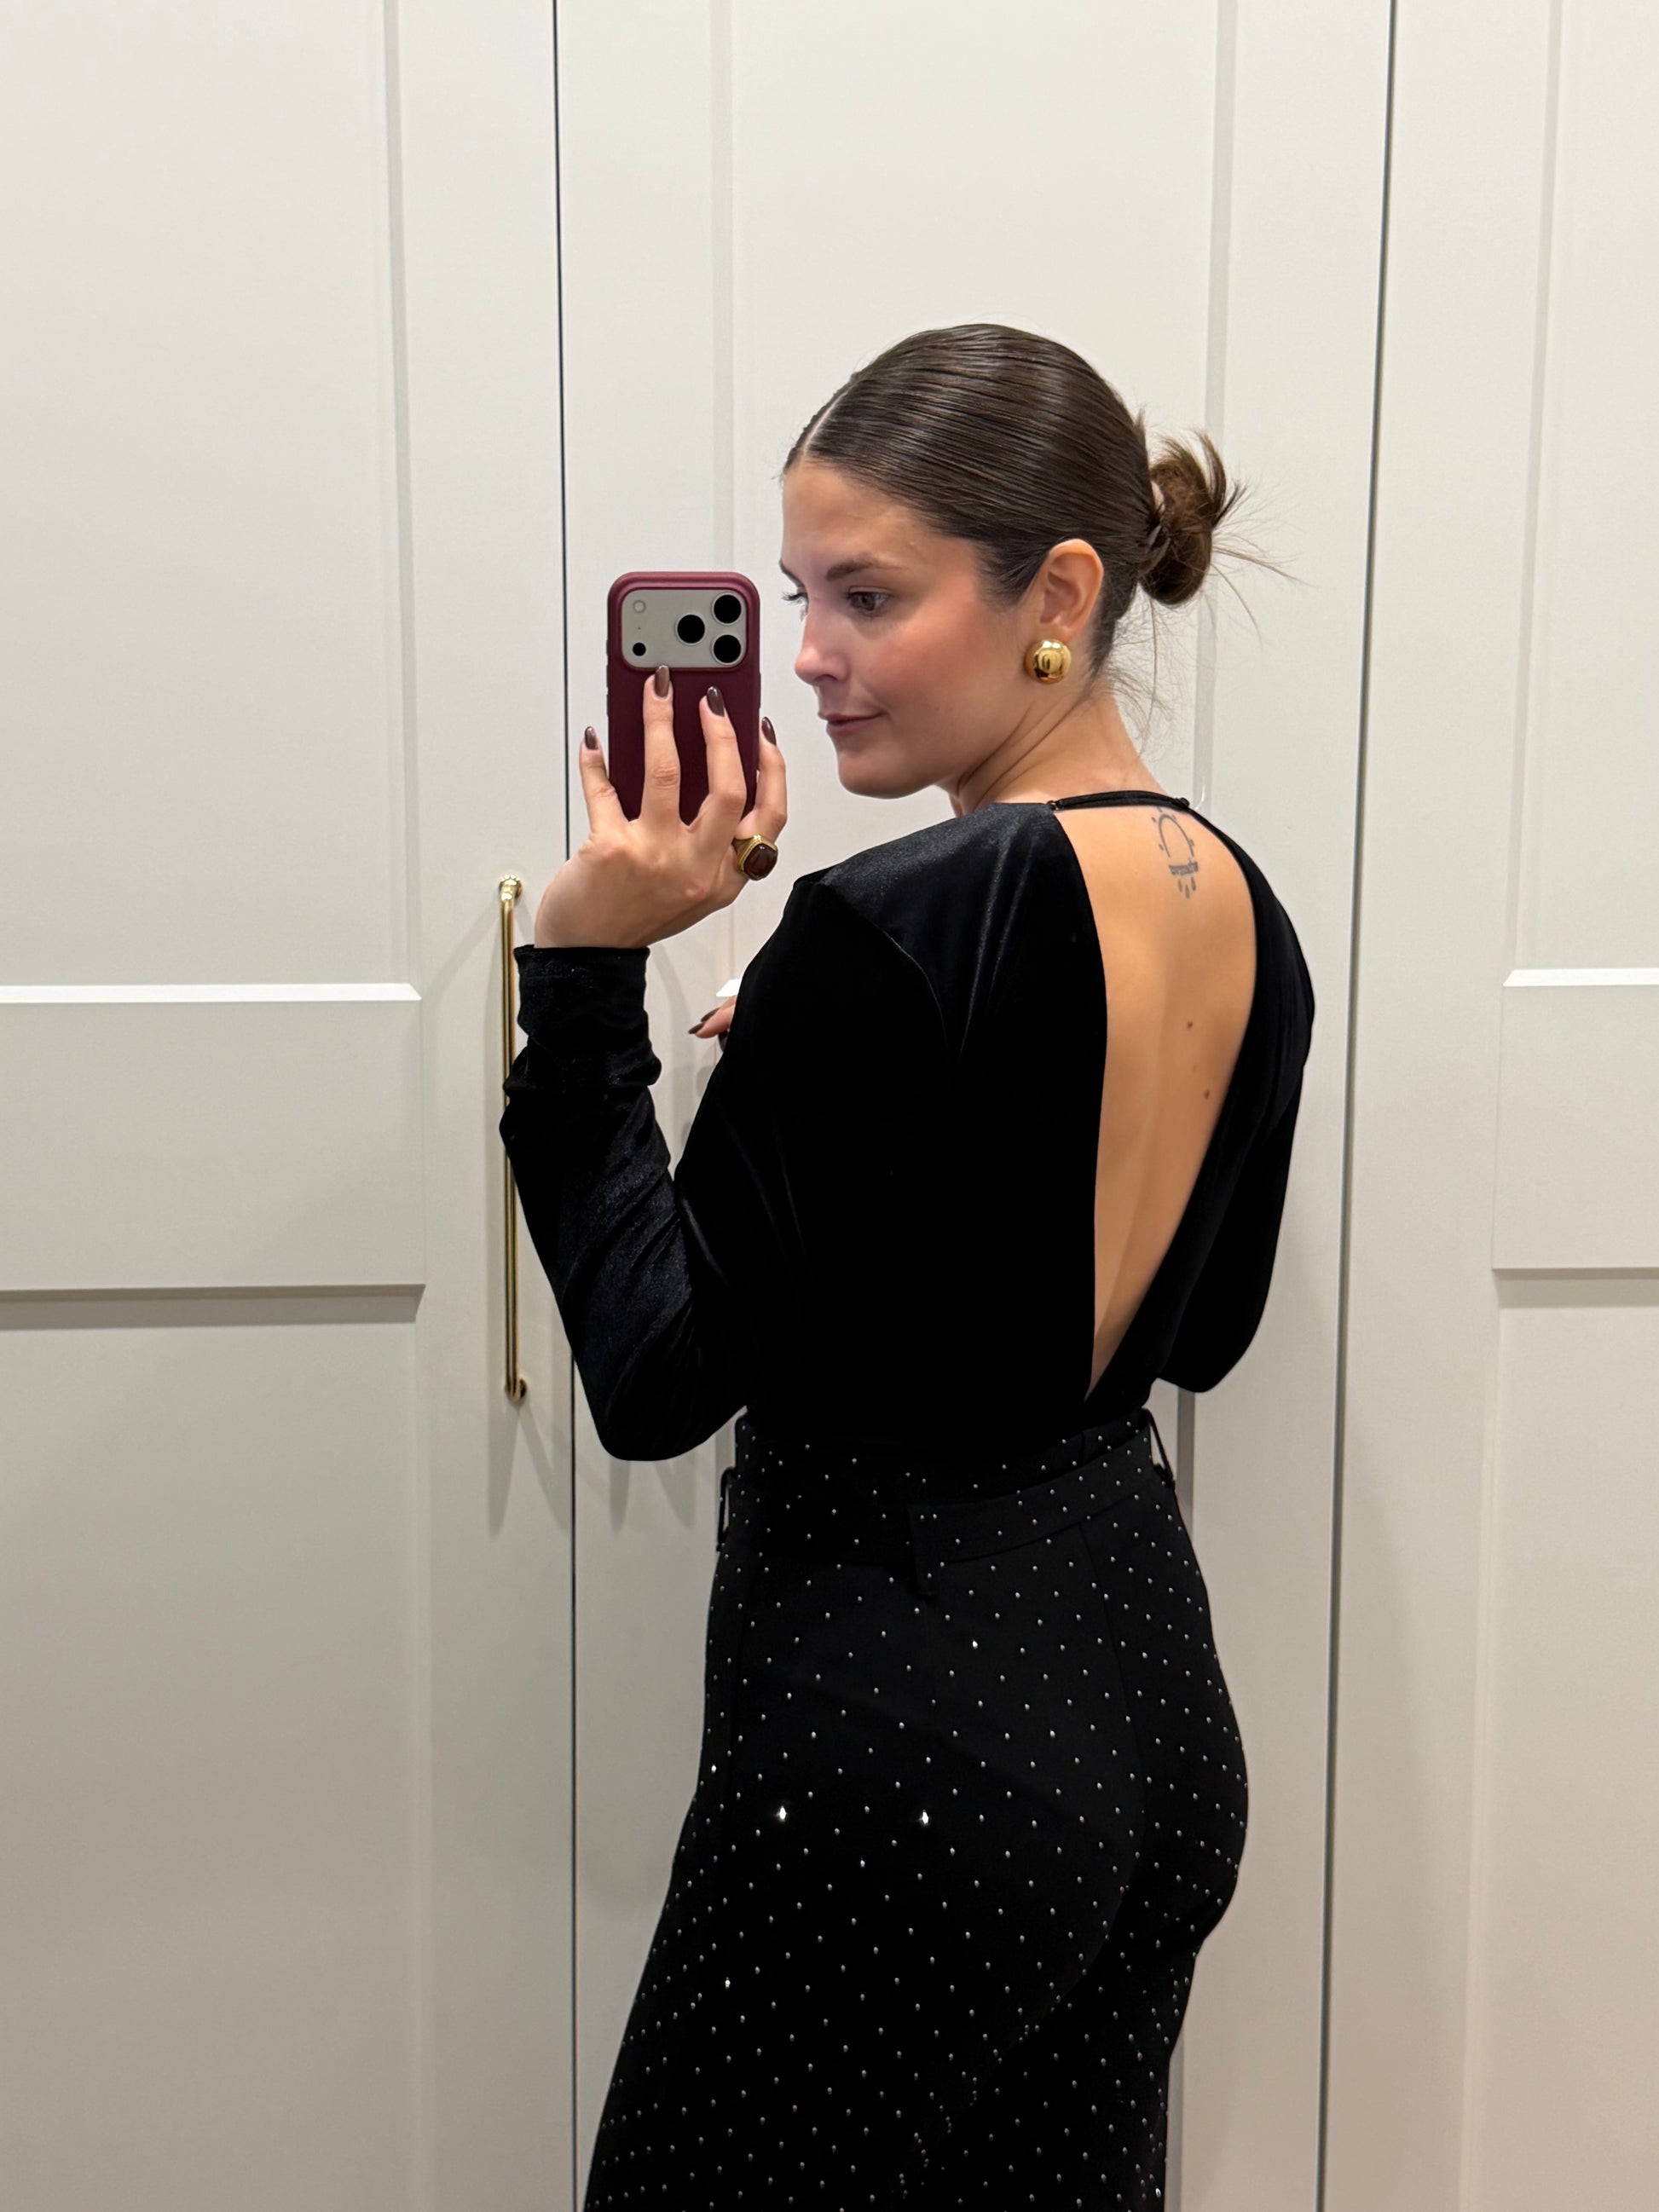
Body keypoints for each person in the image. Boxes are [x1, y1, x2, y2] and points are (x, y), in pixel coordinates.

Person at [500, 323, 1315, 2210]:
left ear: (1058, 596)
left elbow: (654, 1380)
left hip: (905, 1740)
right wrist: (834, 1111)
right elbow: (1201, 1323)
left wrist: (582, 967)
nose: (806, 654)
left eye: (868, 597)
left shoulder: (883, 924)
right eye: (797, 596)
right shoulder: (1238, 901)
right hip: (1145, 1707)